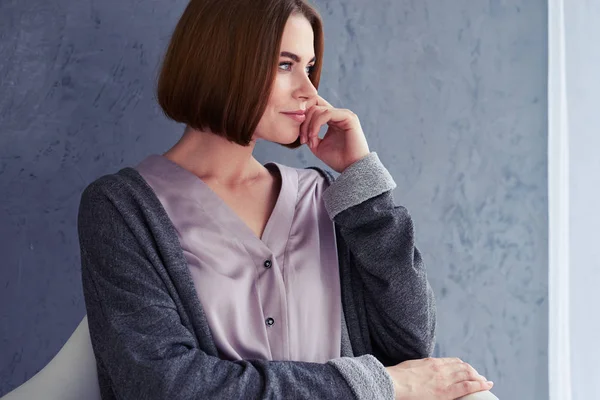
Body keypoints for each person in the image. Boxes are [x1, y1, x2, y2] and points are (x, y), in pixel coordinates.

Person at [77, 0, 495, 399]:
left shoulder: (324, 197)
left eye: (310, 68)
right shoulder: (122, 209)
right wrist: (377, 386)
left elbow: (412, 342)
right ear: (221, 63)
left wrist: (361, 182)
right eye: (285, 65)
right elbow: (165, 387)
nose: (309, 92)